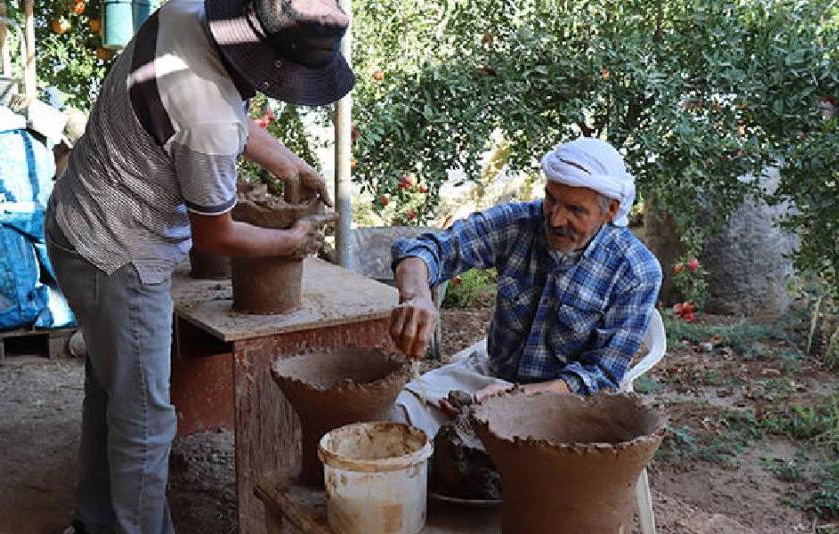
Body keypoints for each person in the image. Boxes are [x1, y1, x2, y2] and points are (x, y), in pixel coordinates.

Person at [44, 0, 354, 532]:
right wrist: (290, 242)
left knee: (115, 393)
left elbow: (223, 100)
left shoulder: (184, 13)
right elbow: (216, 233)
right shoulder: (206, 120)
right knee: (145, 421)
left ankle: (95, 521)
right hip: (117, 252)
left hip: (78, 217)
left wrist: (288, 163)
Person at [387, 138, 663, 438]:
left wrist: (516, 400)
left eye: (575, 209)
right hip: (490, 377)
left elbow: (601, 375)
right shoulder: (518, 223)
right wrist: (417, 296)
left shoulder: (636, 270)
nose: (556, 218)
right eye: (551, 199)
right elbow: (425, 250)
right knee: (398, 414)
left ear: (610, 210)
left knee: (543, 470)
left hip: (566, 402)